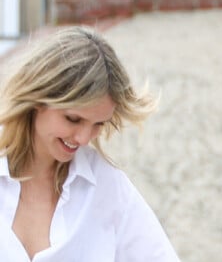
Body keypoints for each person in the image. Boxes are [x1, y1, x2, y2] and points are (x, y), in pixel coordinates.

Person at [0, 26, 181, 261]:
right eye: (73, 119)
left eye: (99, 124)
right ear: (37, 100)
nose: (84, 138)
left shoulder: (107, 186)